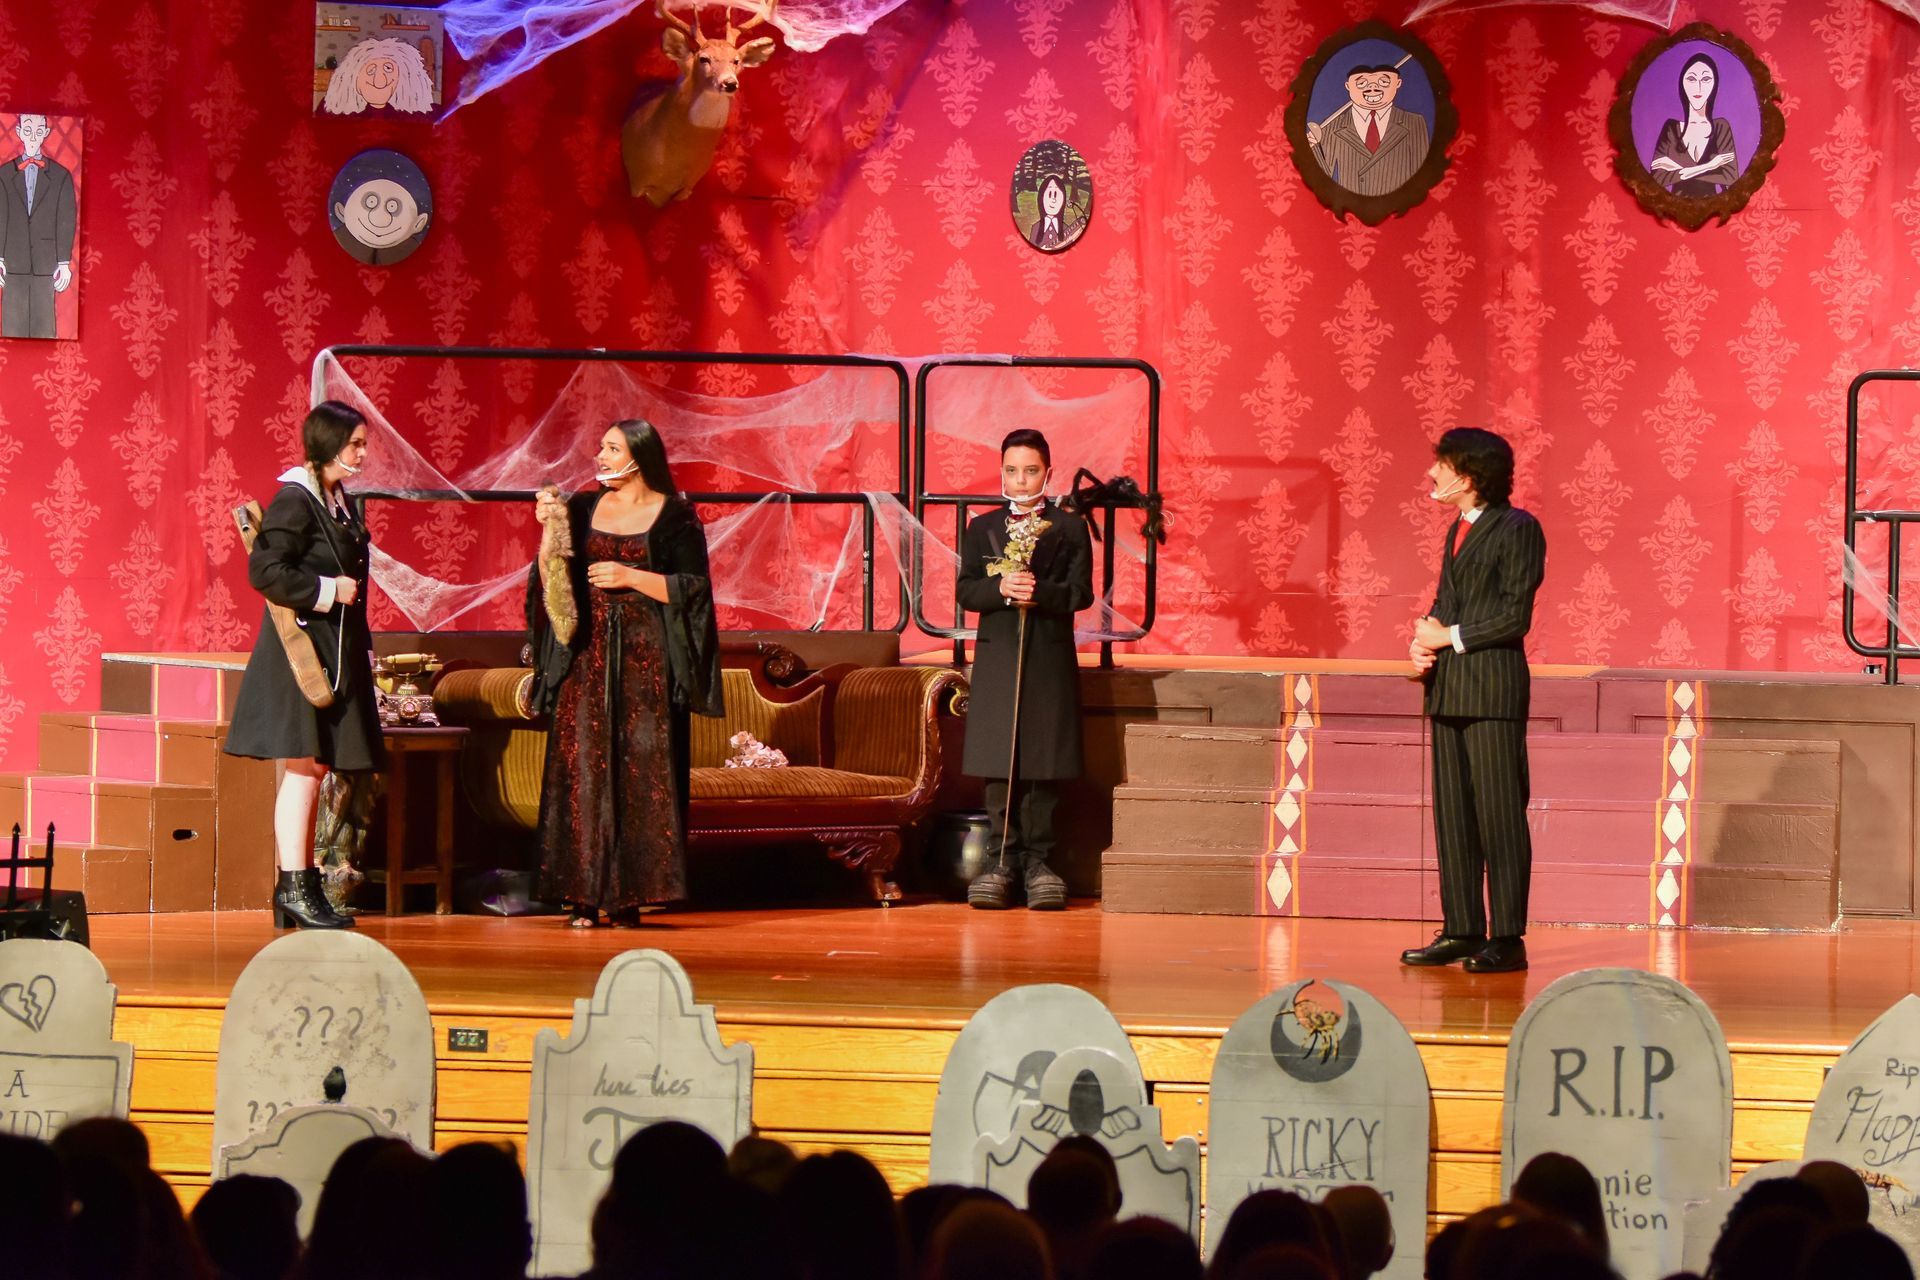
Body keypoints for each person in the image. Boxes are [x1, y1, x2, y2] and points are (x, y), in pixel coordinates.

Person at [529, 420, 723, 927]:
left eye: (611, 447)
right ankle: (581, 893)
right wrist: (550, 534)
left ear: (639, 455)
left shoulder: (675, 515)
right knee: (583, 768)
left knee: (642, 772)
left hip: (647, 664)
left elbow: (694, 589)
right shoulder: (583, 508)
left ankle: (632, 893)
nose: (601, 455)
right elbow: (552, 576)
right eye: (601, 446)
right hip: (586, 659)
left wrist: (631, 576)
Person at [225, 401, 383, 930]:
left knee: (316, 767)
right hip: (304, 654)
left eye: (363, 442)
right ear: (329, 443)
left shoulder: (337, 500)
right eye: (355, 442)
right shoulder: (297, 497)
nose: (362, 451)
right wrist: (326, 592)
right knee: (305, 765)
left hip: (334, 650)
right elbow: (265, 569)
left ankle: (296, 887)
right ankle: (295, 884)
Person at [1402, 427, 1546, 975]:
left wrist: (1450, 637)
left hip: (1492, 690)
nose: (1431, 474)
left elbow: (1514, 615)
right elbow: (1446, 602)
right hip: (1451, 688)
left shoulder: (1519, 528)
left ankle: (1507, 937)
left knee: (1499, 815)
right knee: (1454, 816)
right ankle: (1462, 927)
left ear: (1467, 474)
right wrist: (1422, 647)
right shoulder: (1456, 530)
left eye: (1440, 465)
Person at [957, 429, 1093, 911]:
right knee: (999, 759)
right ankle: (1001, 862)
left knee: (1042, 756)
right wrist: (1000, 590)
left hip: (1047, 655)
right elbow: (966, 590)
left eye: (1030, 470)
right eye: (1012, 470)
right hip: (999, 657)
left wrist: (1041, 594)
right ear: (1001, 472)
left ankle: (1040, 863)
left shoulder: (1070, 528)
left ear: (1048, 473)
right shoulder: (982, 528)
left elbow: (1080, 593)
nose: (1020, 480)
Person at [0, 113, 77, 339]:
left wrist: (64, 263)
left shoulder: (61, 175)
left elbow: (66, 218)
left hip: (46, 265)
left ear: (45, 133)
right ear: (19, 133)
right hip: (13, 264)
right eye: (28, 129)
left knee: (44, 332)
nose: (33, 136)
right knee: (12, 330)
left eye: (38, 130)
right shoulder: (3, 175)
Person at [1306, 62, 1431, 197]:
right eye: (1361, 83)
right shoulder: (1332, 127)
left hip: (1399, 209)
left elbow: (1422, 176)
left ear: (1398, 83)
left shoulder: (1413, 122)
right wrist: (1313, 147)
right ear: (1348, 86)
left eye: (1383, 81)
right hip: (1352, 209)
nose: (1373, 87)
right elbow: (1324, 183)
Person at [1648, 52, 1738, 197]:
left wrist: (1681, 170)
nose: (1699, 87)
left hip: (1712, 208)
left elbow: (1730, 176)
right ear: (1682, 84)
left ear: (1714, 85)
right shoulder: (1671, 128)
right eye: (1691, 79)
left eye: (1706, 79)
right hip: (1674, 208)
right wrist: (1711, 165)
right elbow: (1657, 177)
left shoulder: (1721, 127)